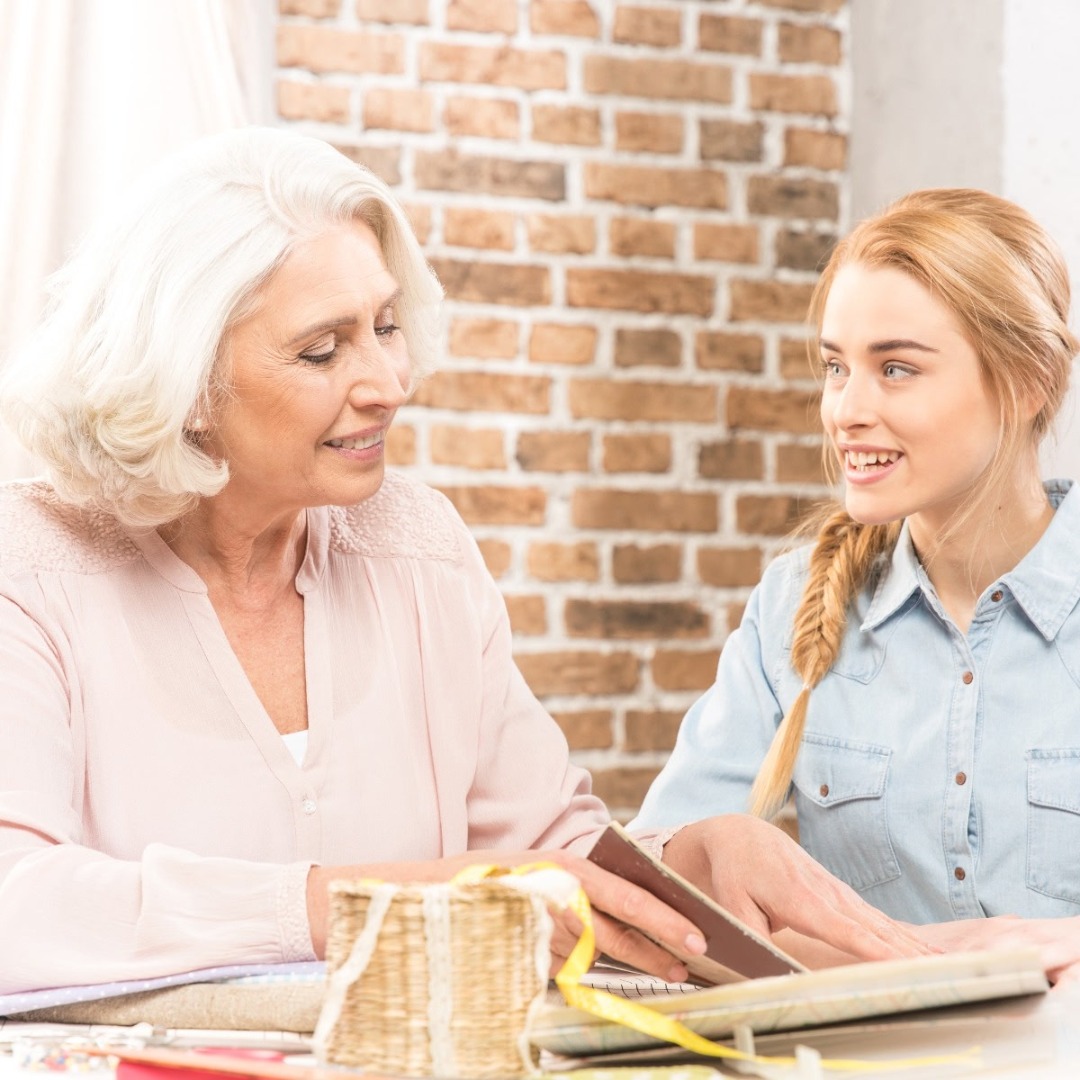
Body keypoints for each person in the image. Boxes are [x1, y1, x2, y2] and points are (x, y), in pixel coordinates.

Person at [0, 127, 925, 996]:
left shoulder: (420, 552)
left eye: (386, 327)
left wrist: (692, 860)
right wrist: (361, 903)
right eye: (323, 350)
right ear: (183, 382)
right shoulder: (32, 569)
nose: (389, 383)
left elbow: (546, 858)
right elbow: (17, 905)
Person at [633, 187, 1080, 980]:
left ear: (1027, 382)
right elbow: (660, 895)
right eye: (837, 367)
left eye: (897, 368)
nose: (846, 409)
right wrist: (924, 958)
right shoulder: (793, 606)